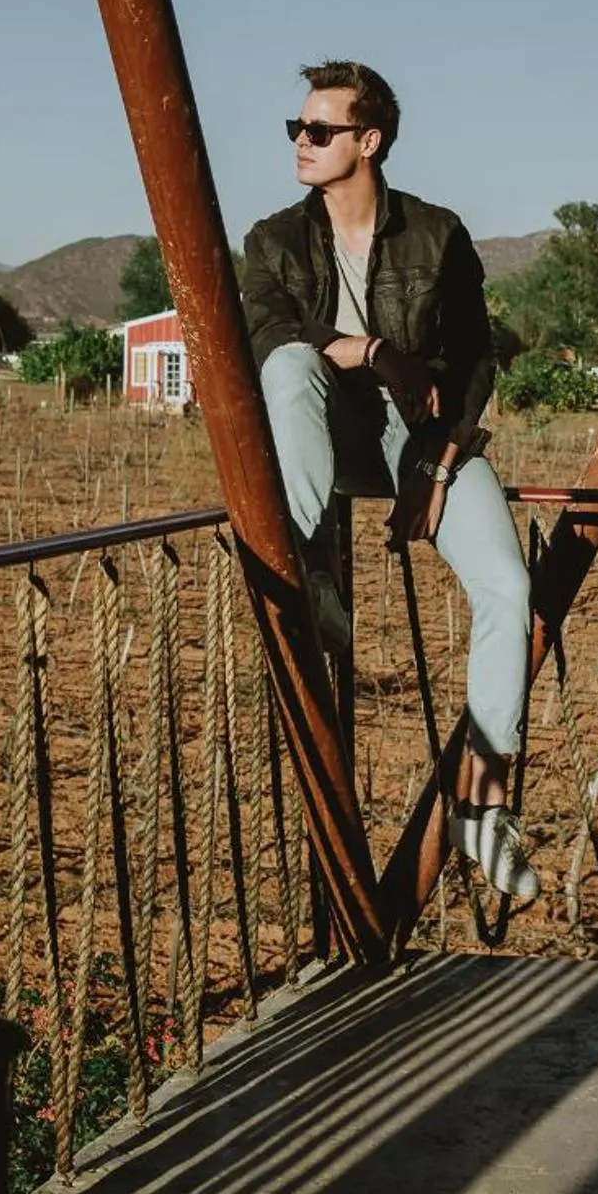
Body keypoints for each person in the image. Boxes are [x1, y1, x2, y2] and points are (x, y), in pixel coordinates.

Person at [241, 59, 538, 906]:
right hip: (324, 430)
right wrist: (372, 350)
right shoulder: (273, 239)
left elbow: (476, 357)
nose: (301, 142)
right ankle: (308, 571)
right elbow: (269, 337)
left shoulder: (436, 235)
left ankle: (482, 806)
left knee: (507, 588)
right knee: (296, 362)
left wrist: (442, 463)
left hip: (421, 439)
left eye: (320, 130)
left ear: (367, 142)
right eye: (296, 128)